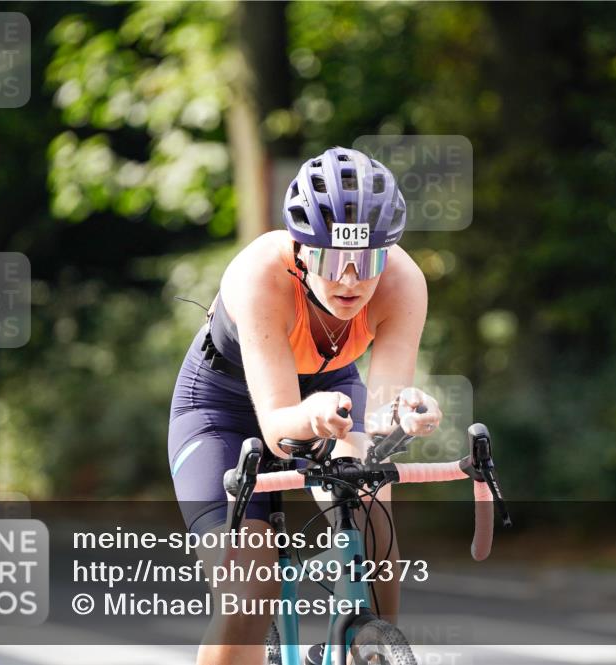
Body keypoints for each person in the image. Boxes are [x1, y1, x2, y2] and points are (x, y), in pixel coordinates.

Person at [168, 147, 442, 665]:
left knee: (371, 505)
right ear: (301, 250)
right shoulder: (259, 274)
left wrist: (404, 414)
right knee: (251, 589)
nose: (350, 280)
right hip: (222, 410)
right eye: (334, 259)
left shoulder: (404, 283)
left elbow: (382, 408)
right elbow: (277, 426)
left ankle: (363, 647)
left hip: (330, 392)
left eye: (367, 261)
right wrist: (315, 418)